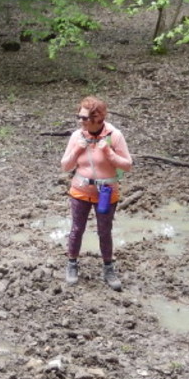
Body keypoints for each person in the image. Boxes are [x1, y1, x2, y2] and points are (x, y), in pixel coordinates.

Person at [60, 95, 133, 290]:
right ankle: (72, 264)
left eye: (84, 118)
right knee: (77, 229)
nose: (80, 121)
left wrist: (109, 153)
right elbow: (65, 166)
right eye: (79, 117)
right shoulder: (77, 136)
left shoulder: (114, 135)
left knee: (104, 231)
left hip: (106, 192)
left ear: (98, 119)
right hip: (80, 190)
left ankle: (108, 268)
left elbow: (127, 165)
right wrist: (77, 150)